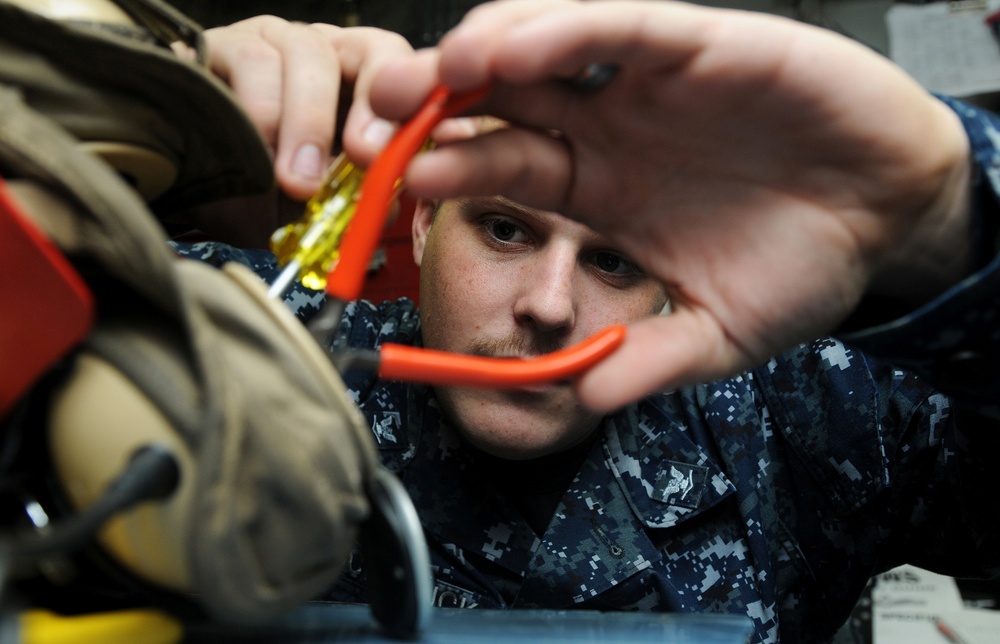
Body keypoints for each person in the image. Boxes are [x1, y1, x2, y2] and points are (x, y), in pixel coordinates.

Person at [182, 2, 1000, 642]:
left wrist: (950, 218)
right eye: (505, 230)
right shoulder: (267, 348)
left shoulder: (802, 419)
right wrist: (138, 87)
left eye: (615, 261)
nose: (548, 305)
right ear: (424, 220)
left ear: (672, 282)